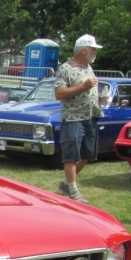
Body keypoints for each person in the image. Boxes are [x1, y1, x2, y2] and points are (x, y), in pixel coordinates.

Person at [54, 34, 108, 204]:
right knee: (70, 156)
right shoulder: (65, 68)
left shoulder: (88, 68)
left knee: (86, 155)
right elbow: (59, 93)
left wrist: (99, 97)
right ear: (83, 50)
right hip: (73, 118)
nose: (95, 53)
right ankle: (73, 190)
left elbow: (86, 92)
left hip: (90, 116)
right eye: (93, 50)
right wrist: (83, 86)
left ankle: (66, 184)